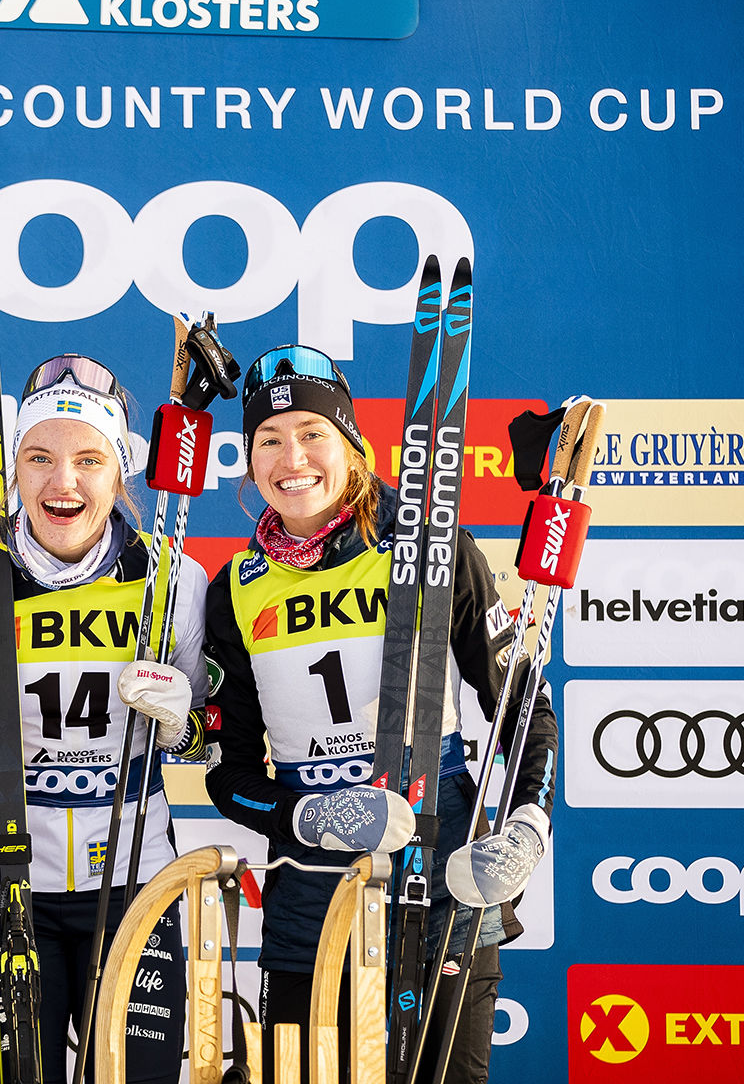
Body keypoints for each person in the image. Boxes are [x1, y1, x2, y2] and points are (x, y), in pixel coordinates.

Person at [201, 346, 559, 1084]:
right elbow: (229, 776)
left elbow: (525, 709)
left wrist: (527, 825)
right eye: (268, 440)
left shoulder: (433, 547)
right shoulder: (236, 586)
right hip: (309, 891)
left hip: (443, 868)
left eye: (312, 434)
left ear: (352, 443)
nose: (290, 458)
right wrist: (308, 817)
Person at [0, 353, 211, 1084]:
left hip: (134, 882)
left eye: (90, 459)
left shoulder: (171, 579)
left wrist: (184, 721)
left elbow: (220, 739)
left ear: (120, 472)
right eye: (39, 458)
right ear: (13, 470)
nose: (63, 483)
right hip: (8, 885)